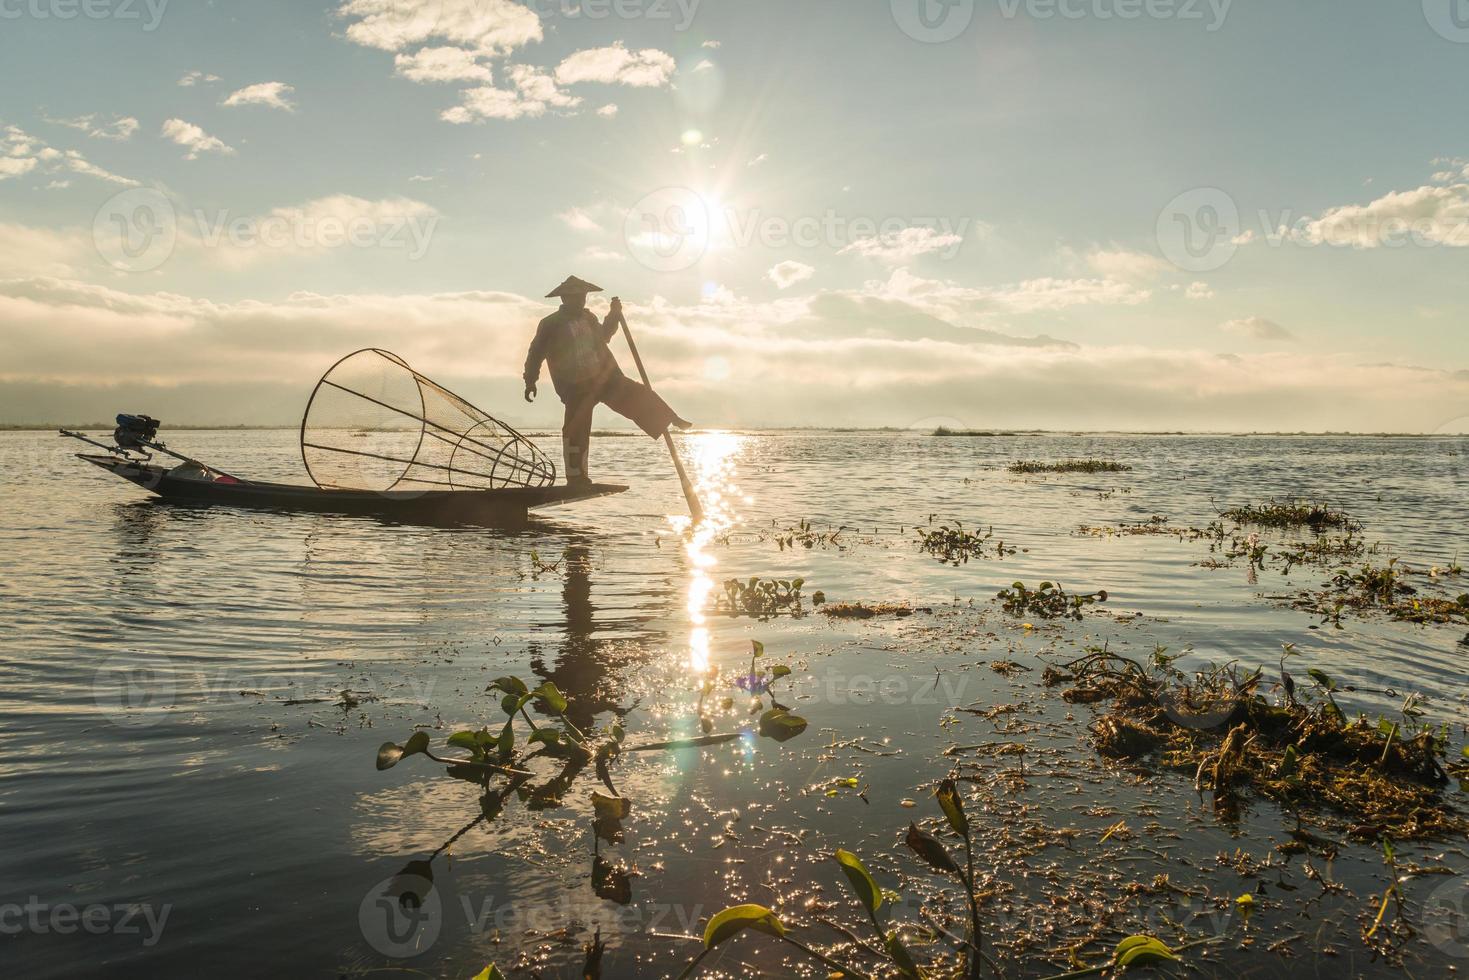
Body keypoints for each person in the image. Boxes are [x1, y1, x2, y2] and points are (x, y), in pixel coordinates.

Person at [523, 276, 691, 486]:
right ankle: (576, 478)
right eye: (576, 297)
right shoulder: (550, 324)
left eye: (583, 297)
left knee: (637, 393)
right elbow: (536, 352)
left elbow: (604, 335)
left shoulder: (589, 319)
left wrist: (614, 315)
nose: (581, 301)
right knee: (576, 429)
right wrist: (531, 380)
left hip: (602, 377)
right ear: (565, 298)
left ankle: (669, 417)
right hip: (574, 385)